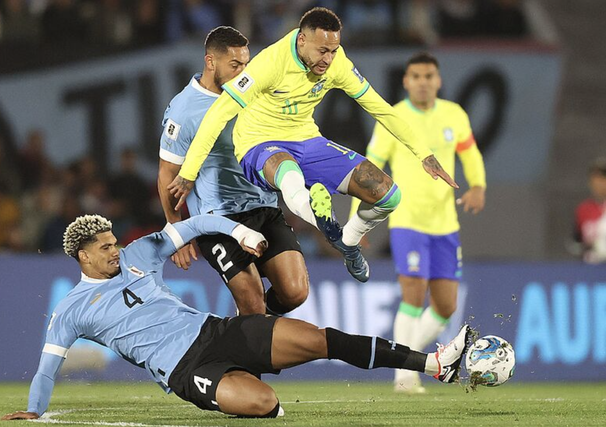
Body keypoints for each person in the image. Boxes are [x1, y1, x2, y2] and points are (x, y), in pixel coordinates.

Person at [1, 213, 471, 420]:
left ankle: (434, 364)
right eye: (104, 247)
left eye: (114, 241)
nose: (115, 250)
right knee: (263, 403)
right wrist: (35, 410)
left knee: (322, 339)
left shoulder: (139, 253)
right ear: (82, 257)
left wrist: (238, 231)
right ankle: (259, 400)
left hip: (218, 332)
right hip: (187, 371)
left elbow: (198, 225)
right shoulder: (70, 311)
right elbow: (48, 367)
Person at [167, 7, 458, 284]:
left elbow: (381, 108)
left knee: (389, 196)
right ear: (302, 40)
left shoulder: (337, 63)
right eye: (322, 51)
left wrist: (424, 153)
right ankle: (322, 218)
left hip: (307, 139)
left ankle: (348, 242)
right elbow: (219, 113)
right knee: (289, 173)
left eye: (333, 50)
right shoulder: (270, 64)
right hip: (258, 143)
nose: (328, 59)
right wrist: (189, 171)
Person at [355, 52, 486, 393]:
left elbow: (469, 153)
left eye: (429, 76)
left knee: (445, 306)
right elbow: (371, 166)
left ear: (438, 80)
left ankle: (413, 361)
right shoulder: (394, 116)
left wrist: (478, 186)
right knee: (413, 296)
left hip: (445, 224)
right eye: (416, 76)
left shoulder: (453, 114)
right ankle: (404, 374)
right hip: (408, 221)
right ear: (406, 81)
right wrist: (361, 216)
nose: (423, 82)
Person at [157, 26, 309, 316]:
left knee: (295, 293)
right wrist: (177, 231)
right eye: (235, 65)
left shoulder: (254, 94)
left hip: (264, 208)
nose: (243, 72)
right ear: (211, 62)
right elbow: (167, 173)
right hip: (218, 220)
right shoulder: (184, 111)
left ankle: (253, 331)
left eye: (246, 64)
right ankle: (254, 334)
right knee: (252, 305)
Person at [574, 157, 606, 264]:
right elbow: (576, 241)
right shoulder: (583, 209)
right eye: (595, 178)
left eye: (603, 178)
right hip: (590, 269)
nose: (599, 183)